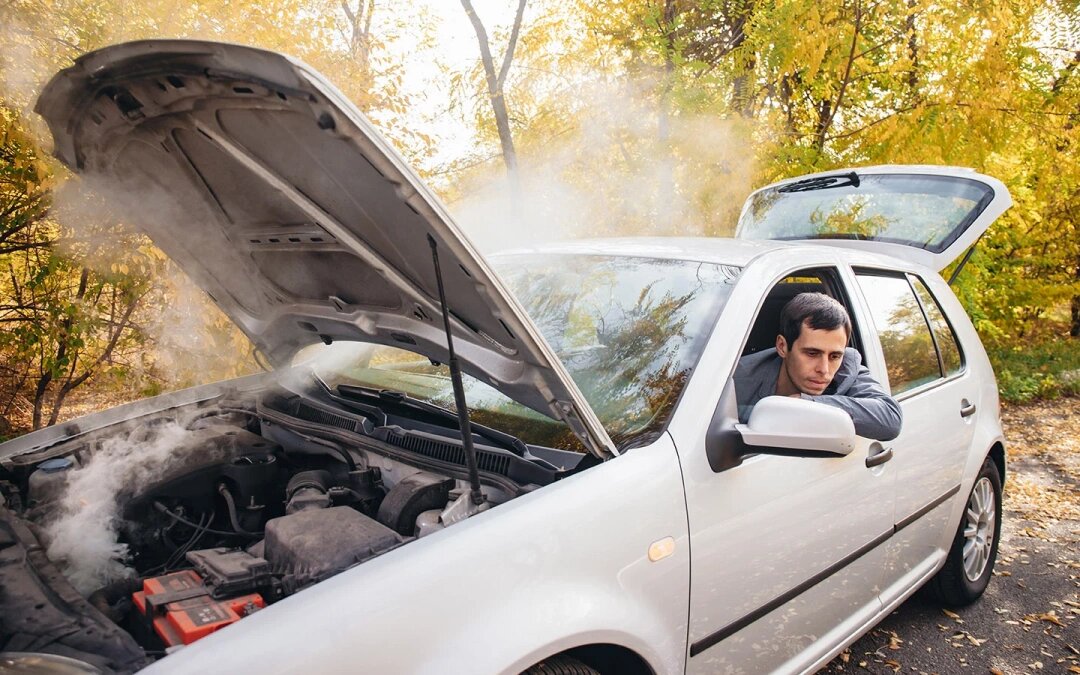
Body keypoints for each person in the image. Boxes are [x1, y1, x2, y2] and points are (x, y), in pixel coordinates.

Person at [734, 292, 903, 441]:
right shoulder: (734, 381)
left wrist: (806, 403)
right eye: (812, 354)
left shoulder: (848, 368)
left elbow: (890, 418)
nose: (824, 369)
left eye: (834, 356)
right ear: (782, 346)